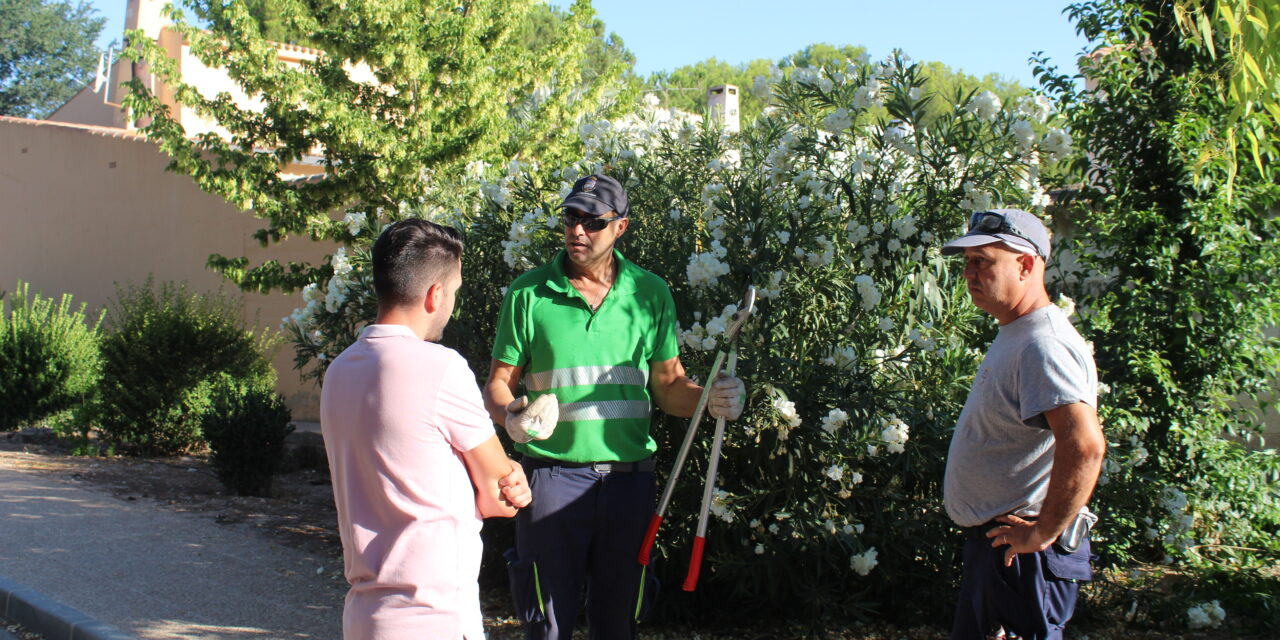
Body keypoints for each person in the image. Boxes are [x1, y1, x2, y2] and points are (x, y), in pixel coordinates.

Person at [482, 174, 746, 640]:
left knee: (618, 623)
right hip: (550, 479)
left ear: (620, 227)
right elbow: (498, 385)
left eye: (593, 222)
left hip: (629, 484)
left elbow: (669, 388)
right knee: (547, 626)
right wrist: (511, 417)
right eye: (570, 218)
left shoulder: (650, 293)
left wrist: (709, 398)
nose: (577, 231)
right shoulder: (529, 293)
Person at [320, 219, 532, 640]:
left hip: (364, 613)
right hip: (433, 615)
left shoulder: (339, 371)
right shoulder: (441, 368)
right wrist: (513, 478)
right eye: (453, 291)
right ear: (435, 295)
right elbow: (499, 495)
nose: (452, 303)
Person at [940, 208, 1106, 640]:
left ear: (1026, 264)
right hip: (1001, 552)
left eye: (983, 261)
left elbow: (1085, 445)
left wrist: (1044, 531)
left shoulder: (1043, 343)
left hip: (1020, 557)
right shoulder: (1017, 332)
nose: (969, 274)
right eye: (967, 263)